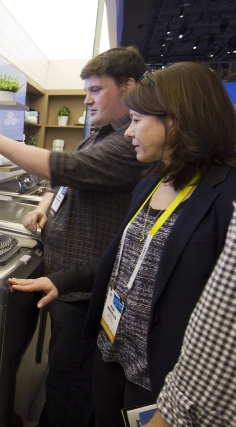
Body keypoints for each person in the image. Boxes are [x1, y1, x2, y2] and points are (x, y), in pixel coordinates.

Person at [12, 61, 236, 427]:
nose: (129, 132)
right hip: (113, 353)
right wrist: (62, 280)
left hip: (164, 381)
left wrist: (177, 408)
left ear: (177, 120)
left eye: (137, 120)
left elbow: (224, 331)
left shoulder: (225, 200)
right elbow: (122, 259)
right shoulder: (151, 183)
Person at [0, 47, 147, 427]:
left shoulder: (128, 143)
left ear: (128, 87)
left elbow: (71, 167)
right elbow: (65, 179)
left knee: (70, 390)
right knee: (63, 380)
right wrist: (46, 205)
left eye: (96, 90)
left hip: (84, 293)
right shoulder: (99, 136)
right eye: (86, 91)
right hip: (65, 281)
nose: (87, 99)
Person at [143, 202, 236, 426]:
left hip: (162, 371)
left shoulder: (224, 196)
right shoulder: (149, 185)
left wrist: (171, 411)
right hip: (116, 343)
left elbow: (217, 346)